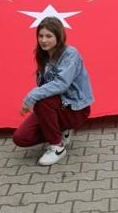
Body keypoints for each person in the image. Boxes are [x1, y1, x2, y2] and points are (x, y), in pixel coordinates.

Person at [13, 17, 93, 166]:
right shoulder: (43, 54)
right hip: (54, 106)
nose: (44, 40)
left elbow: (61, 84)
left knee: (41, 101)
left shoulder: (70, 54)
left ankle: (57, 146)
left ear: (59, 36)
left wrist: (31, 97)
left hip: (74, 109)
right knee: (21, 138)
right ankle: (61, 131)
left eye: (49, 36)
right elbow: (44, 84)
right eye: (41, 36)